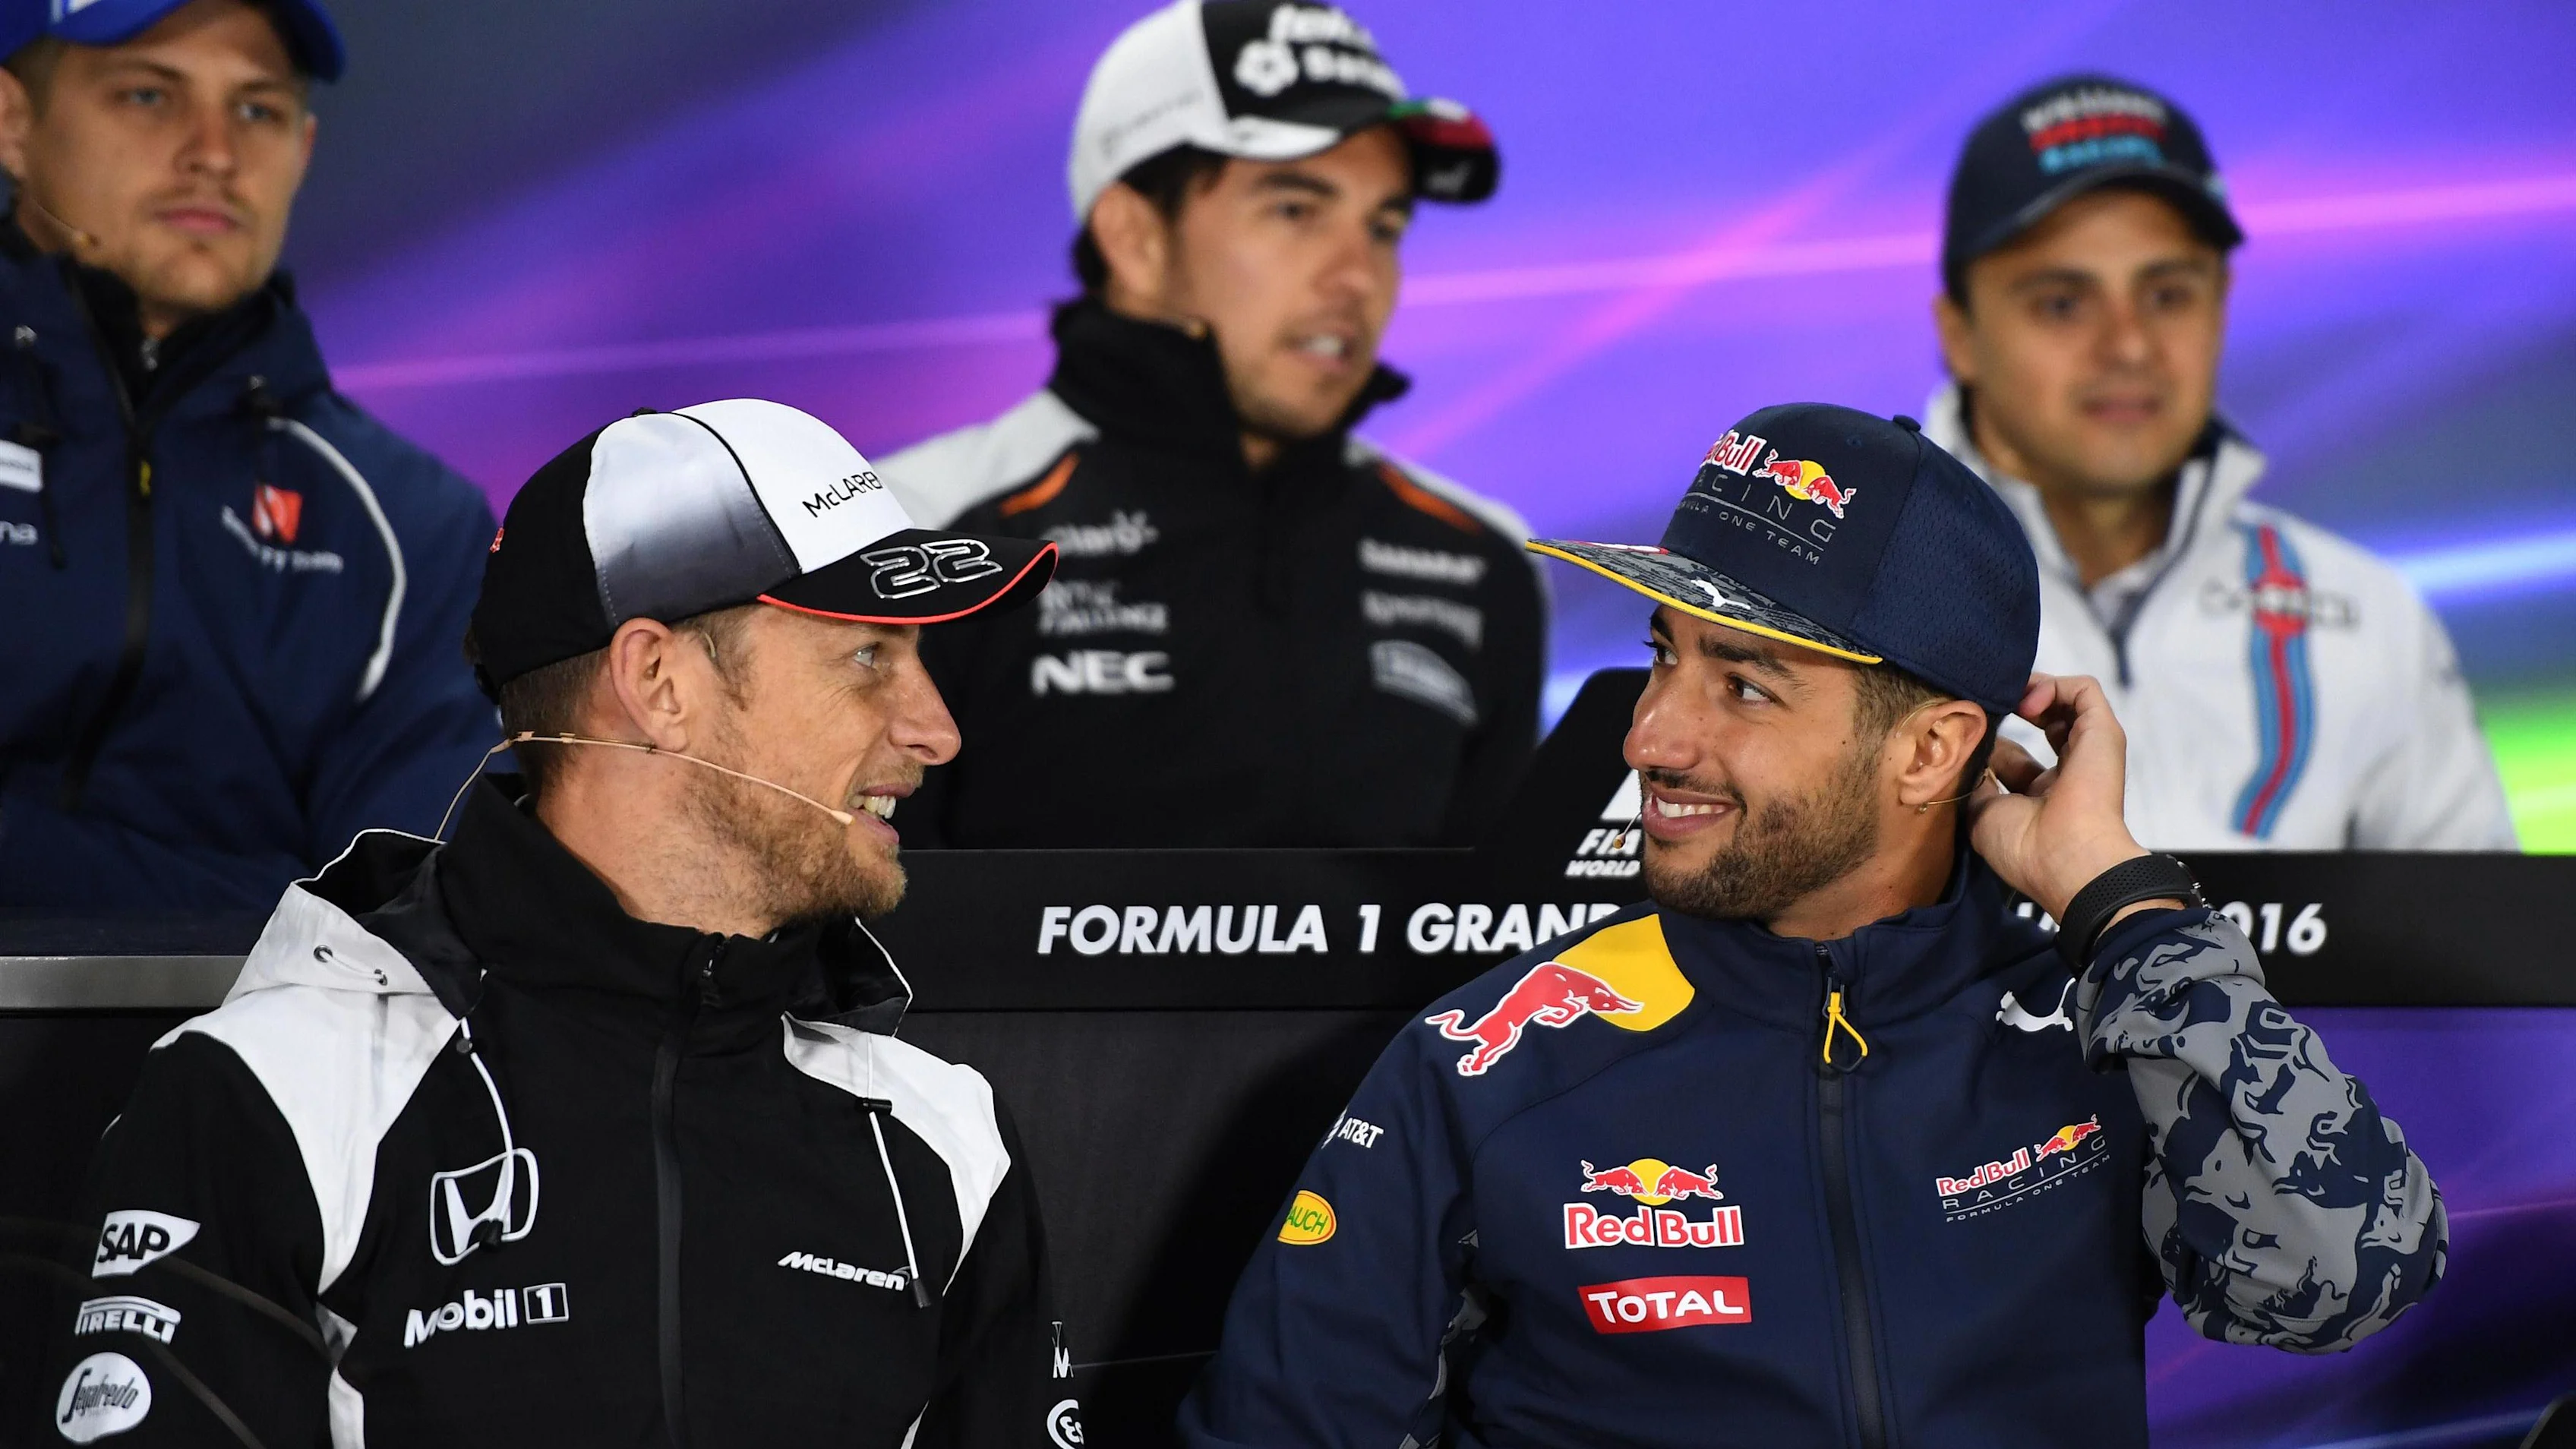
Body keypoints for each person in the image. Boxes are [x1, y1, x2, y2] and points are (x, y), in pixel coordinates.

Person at [1180, 405, 2444, 1447]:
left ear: (1931, 749)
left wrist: (2115, 894)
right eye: (1662, 654)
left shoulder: (2098, 1019)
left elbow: (2339, 1281)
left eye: (1742, 683)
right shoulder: (1488, 1061)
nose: (1650, 734)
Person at [46, 399, 1080, 1446]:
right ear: (657, 683)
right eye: (868, 658)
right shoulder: (279, 1098)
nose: (935, 731)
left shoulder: (942, 1136)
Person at [876, 0, 1545, 849]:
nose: (1355, 276)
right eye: (1296, 209)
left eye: (1383, 226)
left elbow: (1502, 953)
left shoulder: (1479, 562)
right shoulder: (913, 534)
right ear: (1134, 236)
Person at [0, 0, 502, 910]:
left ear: (303, 151)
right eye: (149, 95)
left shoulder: (411, 526)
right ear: (11, 122)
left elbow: (398, 931)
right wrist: (267, 901)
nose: (216, 154)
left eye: (257, 110)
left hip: (245, 1057)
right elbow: (315, 921)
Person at [1927, 74, 2515, 850]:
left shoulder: (2366, 615)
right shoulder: (1838, 595)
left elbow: (2477, 952)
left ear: (2220, 305)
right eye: (2062, 302)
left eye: (2167, 293)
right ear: (1958, 334)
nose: (2129, 345)